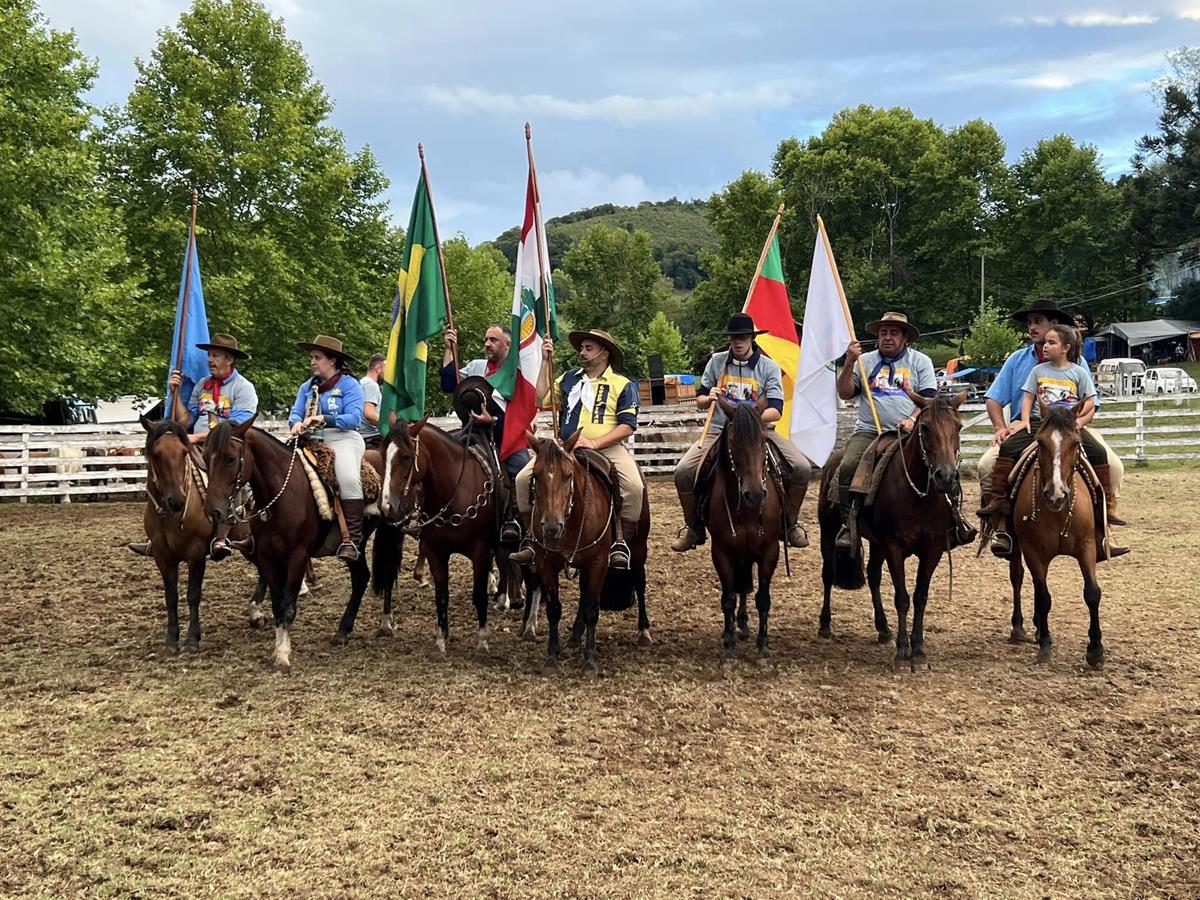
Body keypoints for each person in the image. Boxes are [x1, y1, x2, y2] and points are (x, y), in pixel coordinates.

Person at [979, 324, 1126, 558]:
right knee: (1002, 452)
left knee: (1103, 456)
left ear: (1065, 346)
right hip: (1040, 423)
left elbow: (1090, 402)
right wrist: (1018, 422)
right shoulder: (1030, 366)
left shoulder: (1079, 368)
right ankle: (1000, 515)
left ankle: (1105, 521)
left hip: (1070, 426)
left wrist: (1079, 422)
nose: (1032, 327)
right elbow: (1025, 397)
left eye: (1038, 321)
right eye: (1029, 322)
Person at [670, 312, 813, 552]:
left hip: (759, 432)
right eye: (734, 337)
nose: (738, 342)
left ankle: (790, 523)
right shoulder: (717, 362)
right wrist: (708, 398)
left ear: (752, 338)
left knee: (802, 467)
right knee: (683, 471)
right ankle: (693, 527)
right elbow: (700, 399)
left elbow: (776, 409)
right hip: (718, 430)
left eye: (743, 337)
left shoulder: (768, 367)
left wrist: (748, 422)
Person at [509, 329, 643, 570]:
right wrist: (545, 361)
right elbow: (540, 399)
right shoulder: (569, 378)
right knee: (521, 480)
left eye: (588, 348)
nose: (582, 352)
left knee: (634, 487)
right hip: (565, 449)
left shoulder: (622, 384)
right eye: (581, 348)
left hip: (606, 448)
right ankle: (531, 538)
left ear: (604, 354)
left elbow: (627, 426)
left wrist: (594, 443)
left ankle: (620, 542)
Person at [128, 332, 257, 557]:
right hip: (197, 446)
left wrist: (196, 438)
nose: (210, 360)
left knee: (228, 478)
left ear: (230, 360)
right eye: (209, 355)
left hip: (226, 449)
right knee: (166, 472)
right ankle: (158, 536)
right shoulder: (202, 386)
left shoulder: (243, 388)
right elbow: (187, 419)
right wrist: (174, 392)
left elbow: (235, 429)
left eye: (216, 355)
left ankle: (223, 534)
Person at [833, 311, 939, 552]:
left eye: (894, 333)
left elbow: (929, 399)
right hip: (870, 431)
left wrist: (912, 419)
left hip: (910, 432)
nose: (887, 337)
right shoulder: (864, 361)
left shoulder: (920, 361)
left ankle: (951, 520)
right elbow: (845, 392)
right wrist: (849, 362)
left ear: (905, 338)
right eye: (883, 333)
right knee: (848, 465)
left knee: (942, 464)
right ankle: (848, 523)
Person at [441, 323, 527, 543]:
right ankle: (431, 513)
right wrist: (449, 349)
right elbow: (448, 383)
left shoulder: (517, 373)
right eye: (486, 340)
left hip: (505, 436)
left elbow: (521, 411)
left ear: (507, 345)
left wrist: (493, 420)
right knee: (438, 455)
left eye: (493, 340)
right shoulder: (476, 367)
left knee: (522, 470)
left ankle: (516, 521)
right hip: (471, 431)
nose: (487, 344)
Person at [289, 335, 365, 562]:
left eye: (317, 357)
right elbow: (295, 412)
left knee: (348, 477)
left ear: (332, 361)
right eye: (311, 357)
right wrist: (296, 424)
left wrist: (325, 418)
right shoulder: (306, 387)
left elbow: (354, 418)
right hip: (310, 440)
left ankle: (351, 540)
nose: (312, 362)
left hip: (343, 437)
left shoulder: (349, 385)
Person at [358, 353, 386, 450]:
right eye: (386, 369)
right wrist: (390, 425)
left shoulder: (363, 382)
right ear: (378, 368)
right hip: (372, 437)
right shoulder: (371, 385)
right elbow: (369, 414)